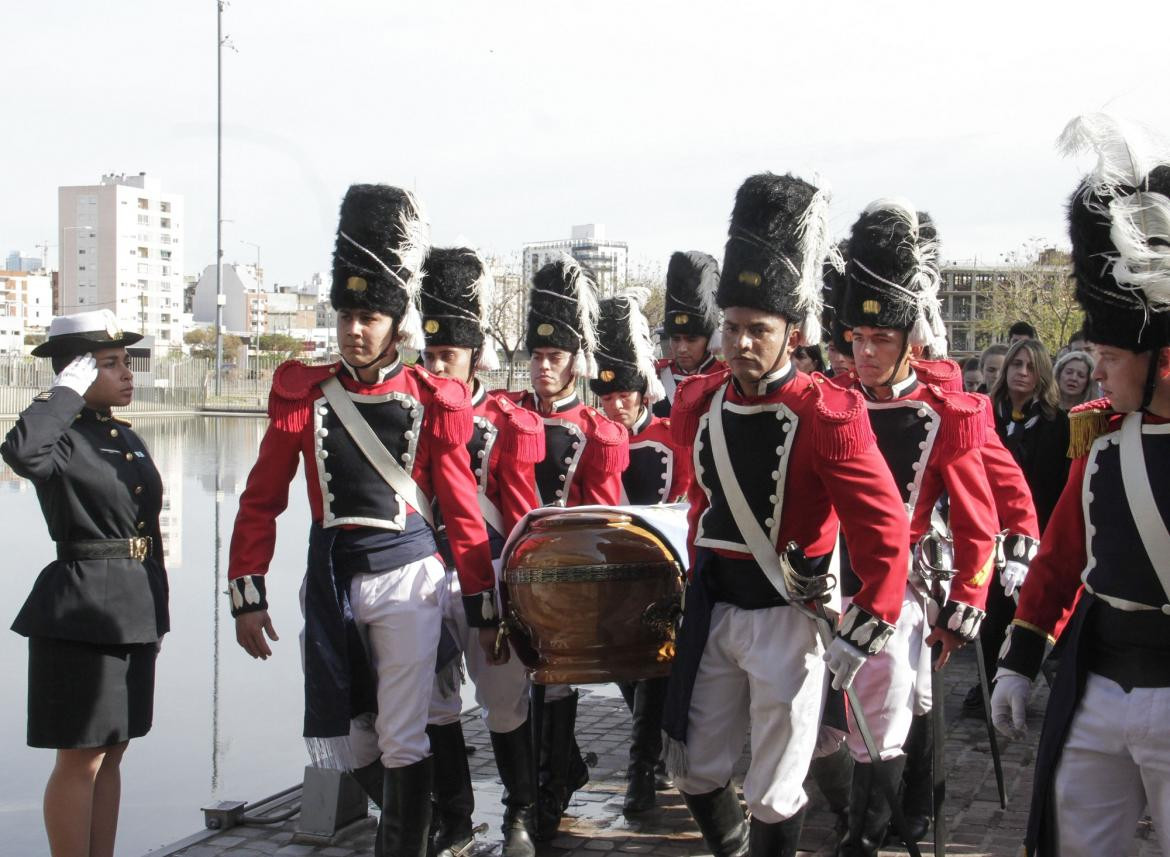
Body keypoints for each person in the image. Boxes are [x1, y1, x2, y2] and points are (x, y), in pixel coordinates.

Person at [226, 185, 498, 857]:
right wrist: (246, 592)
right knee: (349, 741)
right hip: (331, 584)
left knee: (404, 736)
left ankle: (415, 840)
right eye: (347, 312)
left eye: (370, 314)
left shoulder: (432, 399)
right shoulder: (303, 394)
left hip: (409, 581)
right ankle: (433, 827)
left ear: (397, 322)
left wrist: (484, 604)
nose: (354, 327)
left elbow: (461, 507)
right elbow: (261, 499)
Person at [662, 172, 911, 857]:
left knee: (775, 784)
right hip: (715, 607)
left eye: (758, 330)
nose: (741, 343)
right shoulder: (698, 402)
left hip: (787, 617)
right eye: (733, 328)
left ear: (791, 331)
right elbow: (700, 505)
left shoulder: (827, 413)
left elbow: (884, 526)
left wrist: (869, 619)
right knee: (697, 766)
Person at [991, 112, 1170, 857]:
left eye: (1109, 351)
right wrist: (1019, 662)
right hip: (1097, 684)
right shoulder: (1100, 442)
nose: (1094, 367)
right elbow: (1062, 561)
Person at [835, 199, 999, 854]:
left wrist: (969, 596)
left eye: (881, 339)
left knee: (896, 706)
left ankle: (872, 831)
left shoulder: (942, 414)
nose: (866, 351)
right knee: (832, 723)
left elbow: (978, 519)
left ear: (908, 338)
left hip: (903, 587)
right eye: (858, 337)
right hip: (829, 579)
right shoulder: (831, 403)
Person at [2, 310, 168, 857]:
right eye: (110, 364)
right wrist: (65, 392)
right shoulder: (60, 438)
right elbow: (22, 452)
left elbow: (148, 533)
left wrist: (158, 617)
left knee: (115, 750)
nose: (127, 373)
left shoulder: (123, 436)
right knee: (81, 757)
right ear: (74, 372)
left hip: (131, 610)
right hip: (79, 613)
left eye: (126, 362)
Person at [416, 247, 546, 857]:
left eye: (450, 354)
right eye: (431, 352)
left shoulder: (505, 422)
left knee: (502, 701)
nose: (438, 363)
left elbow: (520, 517)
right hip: (419, 574)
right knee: (436, 703)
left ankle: (520, 812)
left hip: (487, 575)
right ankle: (454, 818)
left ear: (475, 358)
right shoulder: (404, 414)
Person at [498, 254, 628, 839]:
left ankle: (552, 788)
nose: (542, 367)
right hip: (510, 571)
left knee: (555, 680)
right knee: (516, 684)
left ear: (577, 361)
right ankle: (534, 788)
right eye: (537, 356)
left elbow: (603, 513)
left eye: (554, 357)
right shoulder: (508, 416)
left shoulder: (596, 432)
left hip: (564, 575)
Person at [589, 289, 692, 814]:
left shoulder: (673, 437)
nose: (615, 404)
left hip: (663, 572)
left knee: (654, 664)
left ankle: (640, 769)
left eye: (624, 394)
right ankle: (648, 751)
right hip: (611, 572)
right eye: (606, 396)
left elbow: (689, 498)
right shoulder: (590, 439)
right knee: (625, 668)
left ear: (642, 392)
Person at [990, 338, 1070, 529]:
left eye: (1031, 367)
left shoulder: (1058, 421)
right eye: (1017, 364)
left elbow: (1061, 485)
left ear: (1042, 374)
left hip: (1038, 523)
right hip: (989, 519)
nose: (1022, 372)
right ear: (1007, 368)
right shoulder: (985, 412)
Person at [653, 251, 724, 417]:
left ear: (710, 338)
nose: (682, 348)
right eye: (676, 339)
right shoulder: (655, 378)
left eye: (692, 339)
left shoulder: (726, 379)